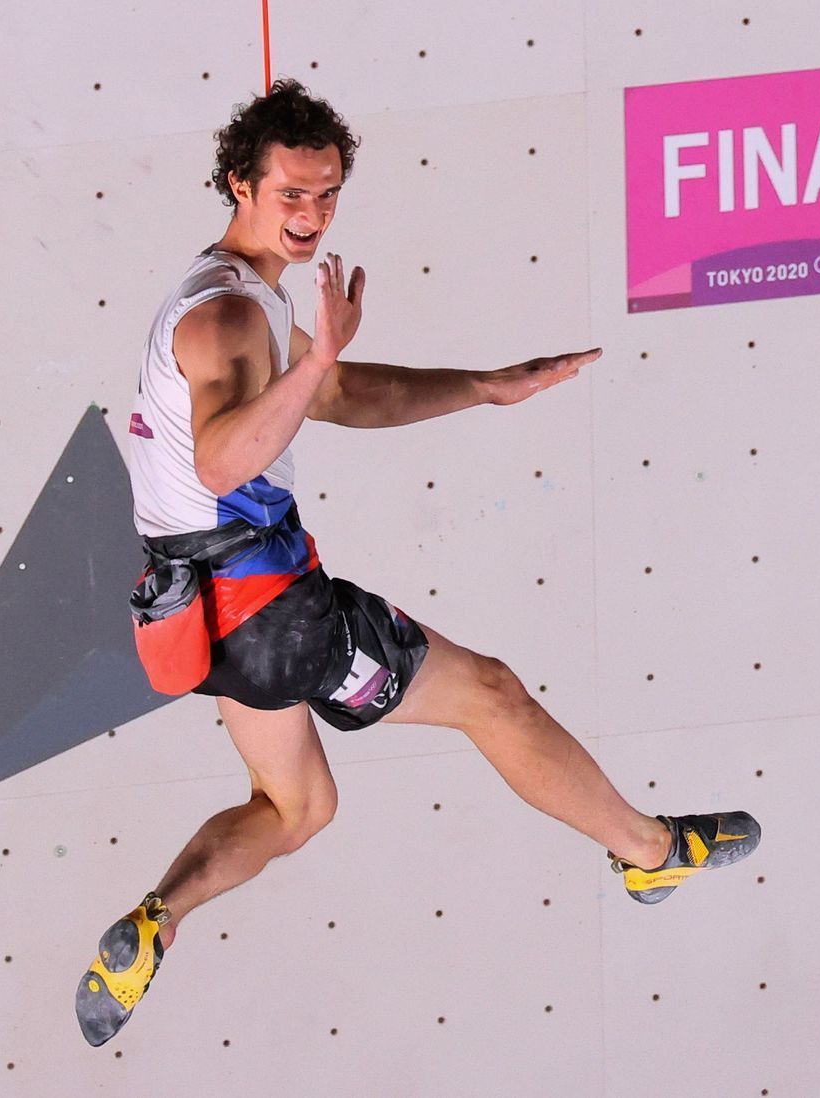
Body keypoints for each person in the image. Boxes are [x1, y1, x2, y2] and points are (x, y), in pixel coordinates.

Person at [76, 80, 762, 1046]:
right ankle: (651, 852)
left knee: (297, 804)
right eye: (291, 196)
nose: (311, 216)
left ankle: (157, 919)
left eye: (327, 195)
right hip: (273, 611)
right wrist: (312, 368)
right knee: (493, 695)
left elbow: (349, 392)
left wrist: (486, 386)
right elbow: (225, 454)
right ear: (239, 182)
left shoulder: (244, 297)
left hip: (208, 620)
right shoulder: (228, 317)